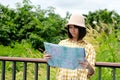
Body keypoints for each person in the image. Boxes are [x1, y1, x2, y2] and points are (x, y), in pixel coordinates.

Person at [44, 13, 96, 80]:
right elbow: (55, 65)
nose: (72, 30)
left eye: (75, 27)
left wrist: (88, 66)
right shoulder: (62, 43)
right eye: (70, 27)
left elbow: (91, 72)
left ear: (81, 29)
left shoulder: (89, 47)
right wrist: (48, 59)